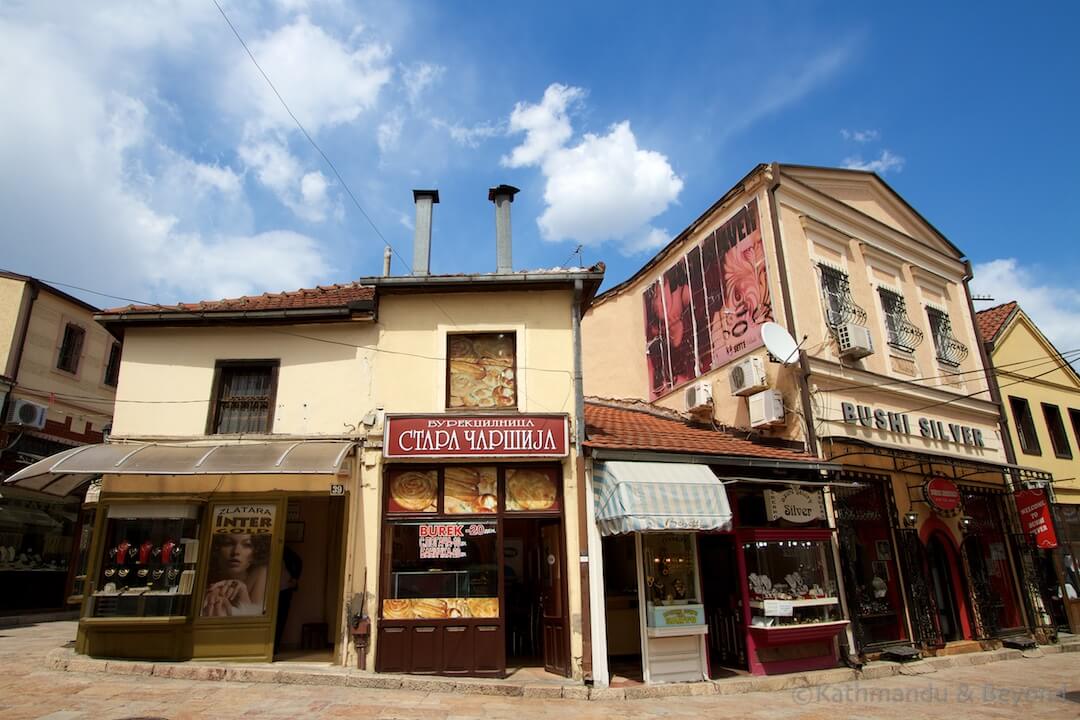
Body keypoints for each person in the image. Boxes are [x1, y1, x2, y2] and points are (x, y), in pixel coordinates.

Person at [201, 533, 270, 617]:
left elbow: (253, 625)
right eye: (228, 543)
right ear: (217, 549)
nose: (236, 552)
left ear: (255, 551)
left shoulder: (260, 573)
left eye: (247, 545)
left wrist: (243, 595)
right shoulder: (204, 577)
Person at [275, 544, 303, 651]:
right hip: (269, 591)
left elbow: (298, 561)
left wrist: (295, 578)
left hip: (284, 589)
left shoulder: (286, 552)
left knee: (281, 618)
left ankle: (275, 646)